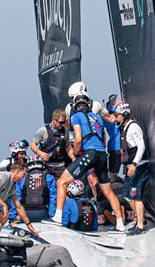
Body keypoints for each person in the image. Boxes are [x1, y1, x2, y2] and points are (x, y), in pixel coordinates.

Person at [52, 94, 127, 232]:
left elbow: (79, 139)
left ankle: (58, 216)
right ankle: (120, 225)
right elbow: (104, 138)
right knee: (108, 192)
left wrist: (75, 153)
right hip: (102, 155)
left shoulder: (76, 116)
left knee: (61, 182)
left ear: (76, 105)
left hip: (89, 153)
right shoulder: (97, 117)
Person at [115, 100, 150, 234]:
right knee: (127, 196)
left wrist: (134, 164)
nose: (116, 117)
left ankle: (140, 225)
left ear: (124, 114)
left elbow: (141, 147)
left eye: (118, 115)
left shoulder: (133, 127)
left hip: (139, 167)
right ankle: (140, 218)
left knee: (136, 196)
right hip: (130, 167)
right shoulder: (124, 127)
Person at [30, 109, 74, 179]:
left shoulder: (65, 131)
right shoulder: (43, 130)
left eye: (64, 122)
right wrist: (40, 153)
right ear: (54, 120)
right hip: (46, 166)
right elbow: (32, 145)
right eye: (61, 122)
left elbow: (68, 147)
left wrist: (74, 158)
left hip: (60, 165)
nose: (62, 124)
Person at [10, 156, 57, 222]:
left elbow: (16, 198)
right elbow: (53, 198)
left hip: (25, 214)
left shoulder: (22, 178)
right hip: (43, 213)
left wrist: (12, 216)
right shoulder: (49, 177)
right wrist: (52, 215)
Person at [104, 94, 122, 176]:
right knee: (114, 174)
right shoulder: (115, 114)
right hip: (117, 147)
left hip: (114, 147)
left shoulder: (105, 115)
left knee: (113, 174)